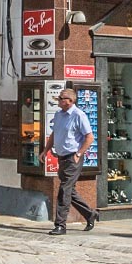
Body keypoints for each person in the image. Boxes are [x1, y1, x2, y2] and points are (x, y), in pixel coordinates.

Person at [42, 83, 98, 235]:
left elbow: (89, 137)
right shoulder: (59, 114)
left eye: (61, 98)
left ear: (70, 101)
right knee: (69, 191)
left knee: (64, 190)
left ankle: (60, 225)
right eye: (58, 98)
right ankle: (89, 214)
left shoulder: (79, 115)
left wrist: (79, 153)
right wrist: (46, 150)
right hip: (61, 157)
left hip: (73, 158)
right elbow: (54, 134)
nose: (59, 100)